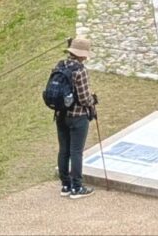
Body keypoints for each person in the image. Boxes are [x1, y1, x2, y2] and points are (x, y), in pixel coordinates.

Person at [54, 36, 97, 199]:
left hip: (60, 114)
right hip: (78, 117)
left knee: (63, 150)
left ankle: (65, 185)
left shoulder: (60, 65)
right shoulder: (80, 70)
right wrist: (93, 100)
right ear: (83, 54)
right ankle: (77, 187)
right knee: (76, 152)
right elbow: (85, 98)